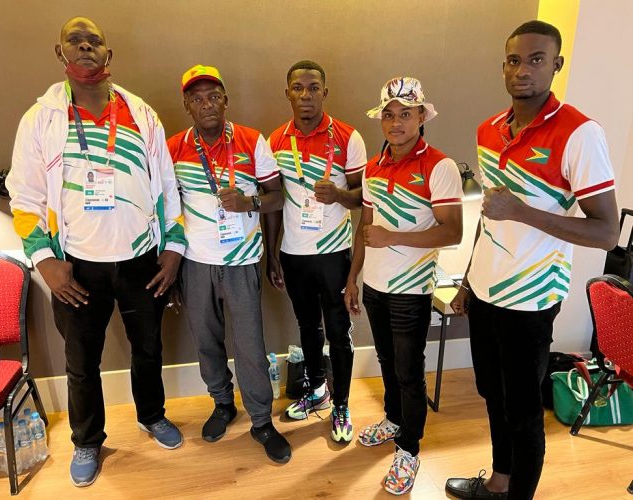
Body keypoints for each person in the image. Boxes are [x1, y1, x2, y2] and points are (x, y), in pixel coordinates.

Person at [6, 17, 187, 487]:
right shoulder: (41, 118)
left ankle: (152, 415)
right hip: (75, 267)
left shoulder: (141, 113)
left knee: (148, 348)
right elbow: (23, 196)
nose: (86, 47)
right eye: (75, 41)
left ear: (109, 54)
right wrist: (46, 262)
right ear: (60, 53)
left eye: (95, 42)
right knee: (81, 361)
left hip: (141, 260)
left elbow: (167, 185)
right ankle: (87, 439)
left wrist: (173, 249)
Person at [444, 20, 619, 500]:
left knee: (523, 413)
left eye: (536, 60)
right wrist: (466, 280)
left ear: (556, 65)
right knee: (492, 396)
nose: (522, 70)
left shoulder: (580, 134)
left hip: (532, 298)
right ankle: (500, 483)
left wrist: (521, 210)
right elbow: (491, 217)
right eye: (514, 60)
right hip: (483, 291)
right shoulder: (488, 130)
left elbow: (606, 232)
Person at [166, 64, 292, 464]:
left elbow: (277, 197)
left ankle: (261, 421)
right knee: (206, 340)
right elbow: (166, 210)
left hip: (241, 260)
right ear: (187, 105)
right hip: (195, 262)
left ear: (226, 100)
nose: (207, 105)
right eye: (197, 98)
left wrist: (250, 202)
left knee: (250, 345)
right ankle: (223, 404)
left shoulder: (252, 141)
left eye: (214, 96)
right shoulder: (174, 148)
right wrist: (168, 269)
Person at [344, 76, 463, 495]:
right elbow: (366, 227)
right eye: (389, 114)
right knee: (386, 361)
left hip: (411, 291)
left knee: (410, 373)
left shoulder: (440, 166)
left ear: (420, 117)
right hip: (374, 286)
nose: (396, 122)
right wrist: (352, 279)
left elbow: (452, 233)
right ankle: (394, 420)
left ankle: (409, 450)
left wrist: (393, 237)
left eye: (405, 114)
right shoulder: (374, 167)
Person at [265, 60, 367, 442]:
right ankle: (317, 390)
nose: (305, 95)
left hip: (334, 253)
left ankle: (341, 403)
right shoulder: (274, 140)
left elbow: (364, 198)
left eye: (313, 87)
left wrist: (340, 195)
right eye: (298, 88)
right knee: (307, 327)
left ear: (325, 91)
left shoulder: (347, 137)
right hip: (293, 252)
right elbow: (273, 201)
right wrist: (272, 253)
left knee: (338, 332)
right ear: (287, 92)